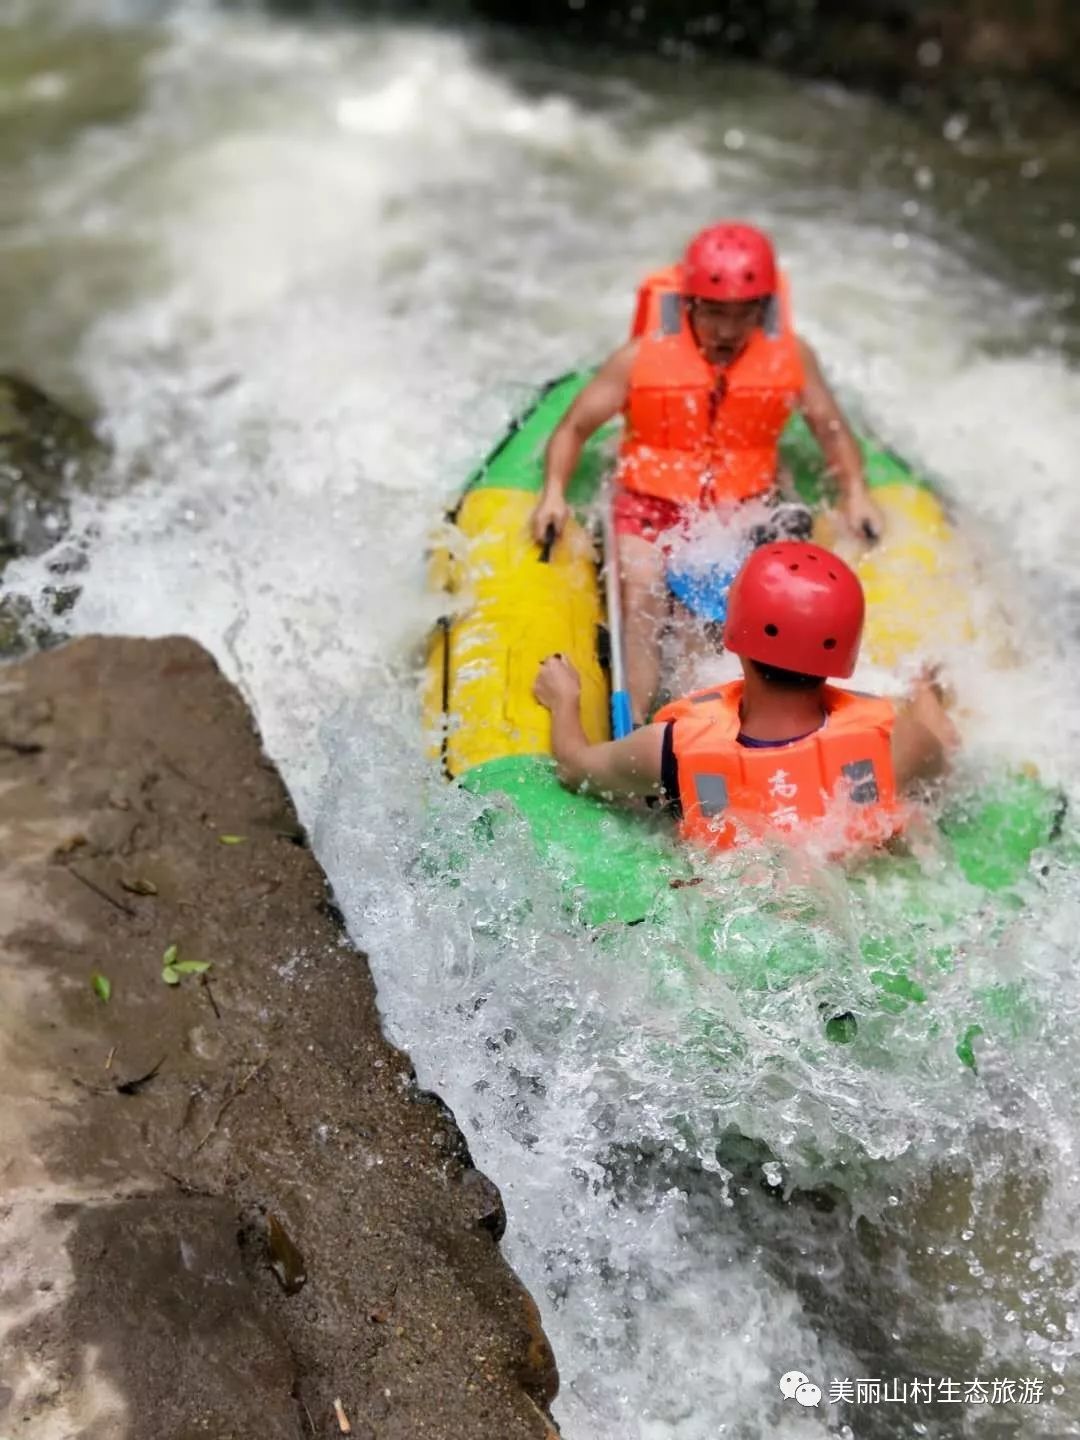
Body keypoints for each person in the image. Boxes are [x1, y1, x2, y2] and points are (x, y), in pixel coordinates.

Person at [531, 221, 885, 723]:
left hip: (742, 510)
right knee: (644, 599)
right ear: (690, 304)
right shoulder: (640, 357)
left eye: (742, 316)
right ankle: (639, 734)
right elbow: (573, 428)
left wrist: (855, 492)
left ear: (764, 310)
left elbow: (830, 429)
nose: (726, 331)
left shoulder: (791, 356)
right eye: (714, 313)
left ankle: (728, 734)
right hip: (648, 506)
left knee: (727, 622)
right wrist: (553, 494)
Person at [532, 542, 957, 853]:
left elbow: (575, 767)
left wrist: (564, 700)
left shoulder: (667, 751)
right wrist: (925, 693)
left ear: (735, 636)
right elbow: (947, 758)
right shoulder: (896, 742)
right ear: (846, 650)